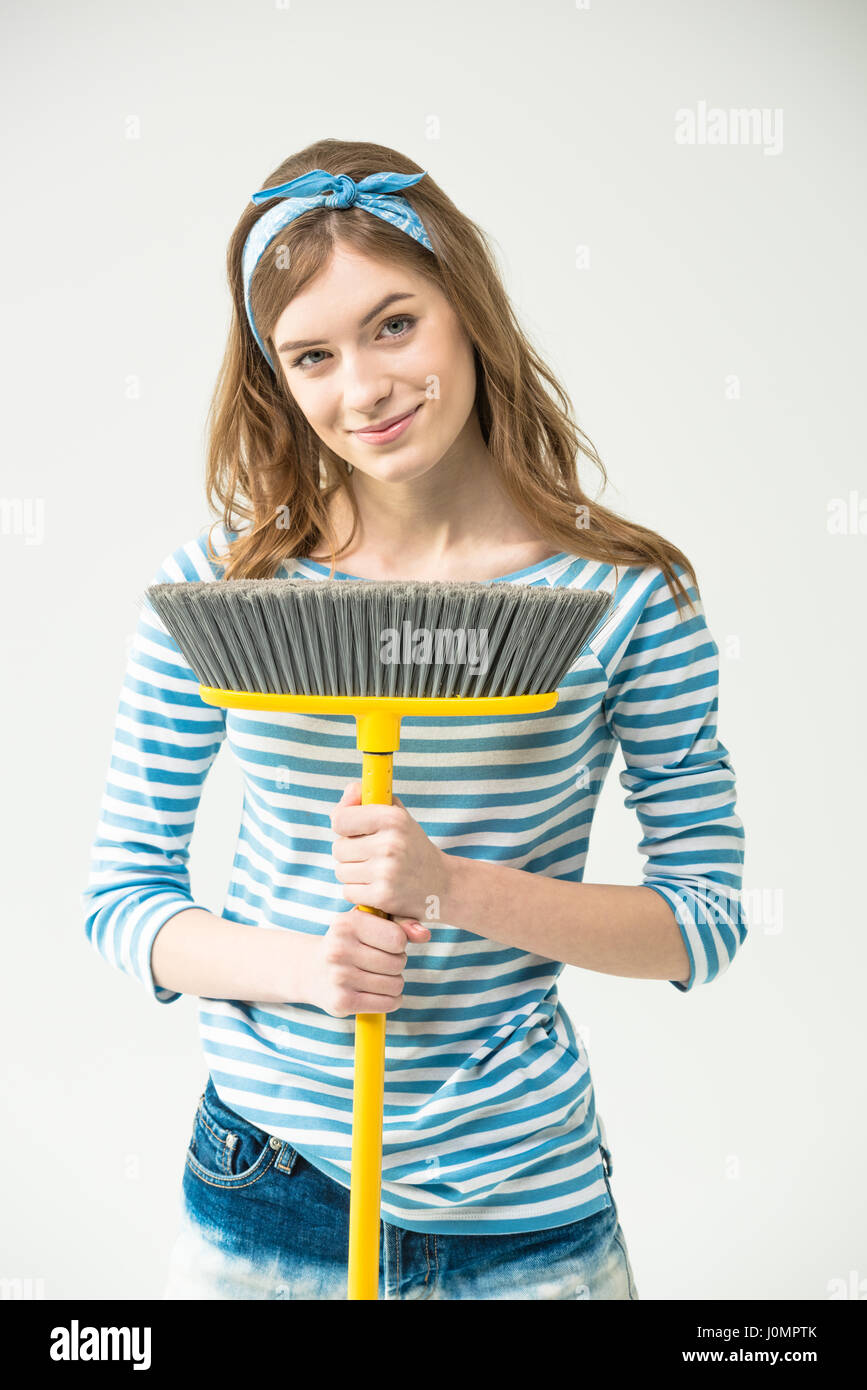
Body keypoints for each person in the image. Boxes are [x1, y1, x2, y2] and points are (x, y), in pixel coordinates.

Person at [81, 138, 747, 1301]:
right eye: (313, 355)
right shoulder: (226, 593)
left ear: (468, 312)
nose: (364, 388)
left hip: (525, 1204)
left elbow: (703, 921)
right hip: (268, 1179)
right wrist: (305, 965)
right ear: (277, 378)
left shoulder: (626, 599)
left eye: (395, 326)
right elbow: (122, 899)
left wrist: (452, 887)